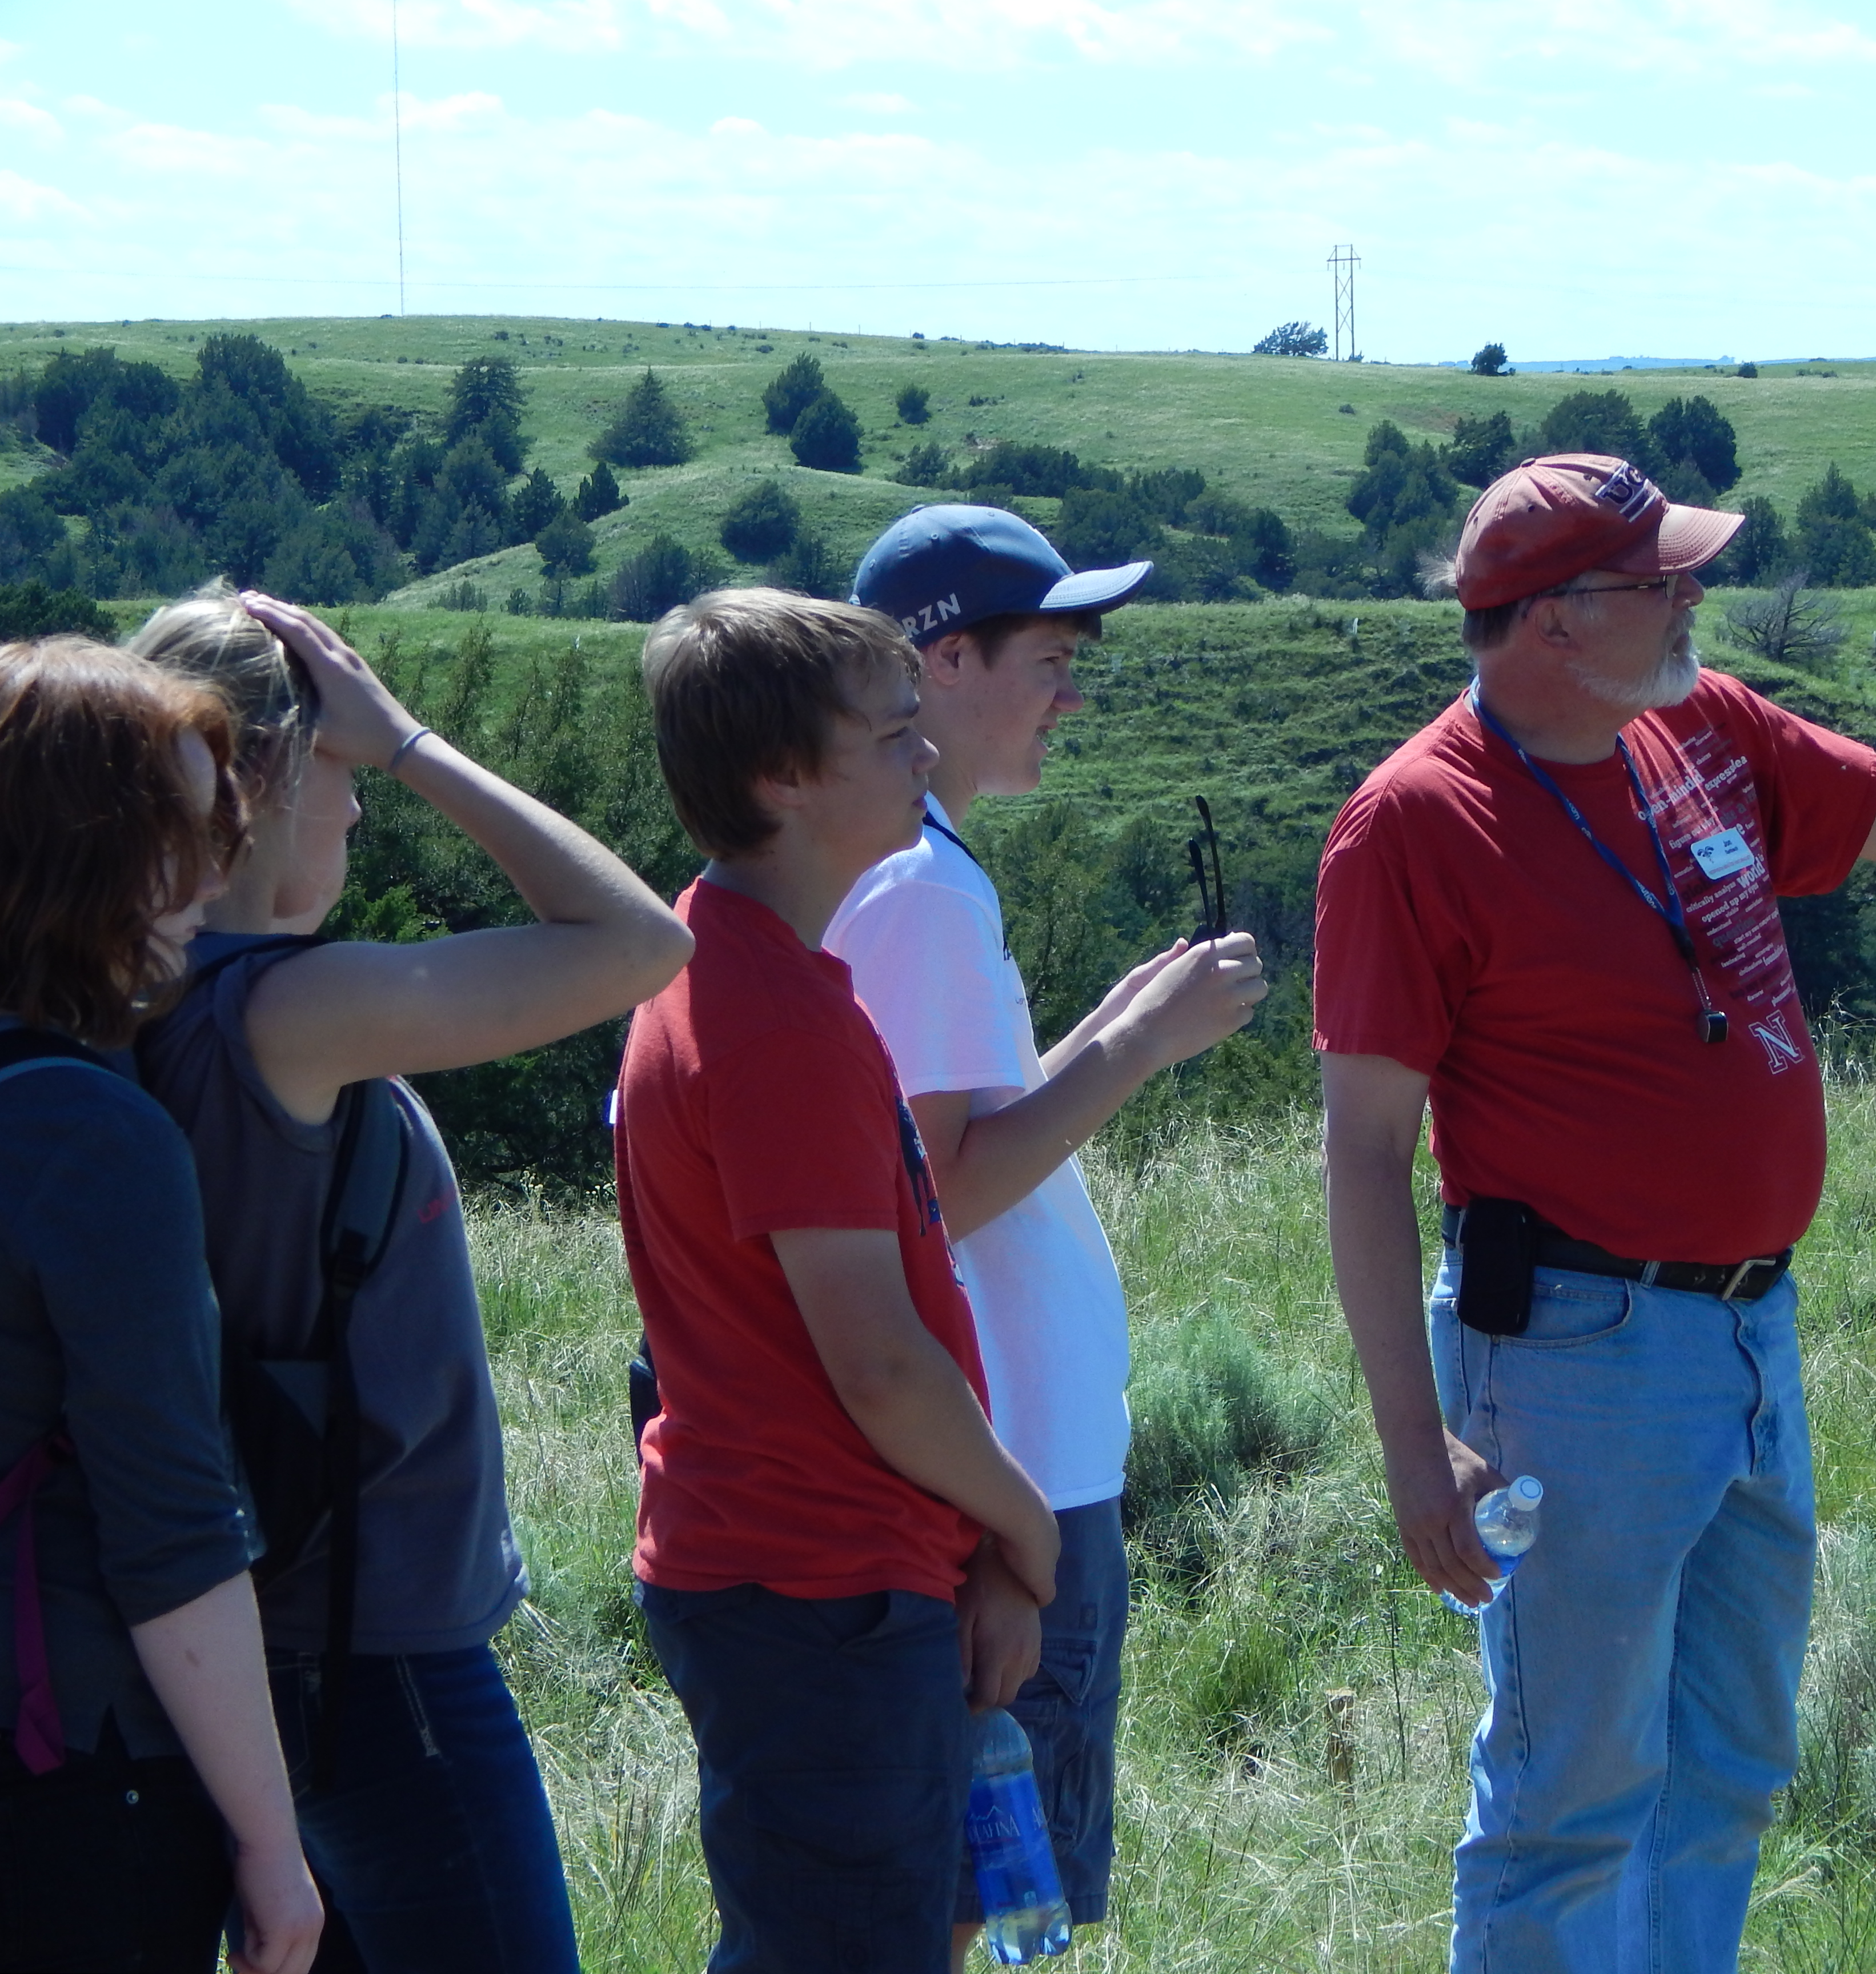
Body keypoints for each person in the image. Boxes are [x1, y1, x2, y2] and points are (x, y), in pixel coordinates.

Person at [1314, 454, 1876, 1972]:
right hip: (1574, 1360)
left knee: (1725, 1770)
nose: (1695, 595)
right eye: (1660, 578)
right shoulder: (1414, 826)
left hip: (1747, 1335)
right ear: (1550, 623)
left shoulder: (1698, 725)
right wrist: (1418, 1446)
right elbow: (1362, 1153)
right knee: (1571, 1799)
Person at [127, 587, 693, 1973]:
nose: (363, 807)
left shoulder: (140, 1000)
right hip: (380, 1663)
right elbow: (640, 945)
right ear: (255, 778)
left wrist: (364, 740)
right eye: (341, 771)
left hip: (261, 1653)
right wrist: (418, 742)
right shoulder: (283, 1011)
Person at [831, 505, 1267, 1955]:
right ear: (942, 659)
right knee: (982, 1907)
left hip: (997, 1458)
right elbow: (934, 1195)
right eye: (1051, 657)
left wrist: (1119, 1023)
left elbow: (933, 1141)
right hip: (1013, 1471)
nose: (1072, 693)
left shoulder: (898, 869)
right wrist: (1139, 1051)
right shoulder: (925, 891)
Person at [616, 588, 1061, 1973]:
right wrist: (1024, 1527)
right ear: (780, 780)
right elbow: (875, 1362)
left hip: (814, 1577)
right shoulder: (776, 1020)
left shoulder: (729, 967)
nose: (924, 757)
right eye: (889, 737)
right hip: (818, 1589)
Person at [0, 636, 324, 1974]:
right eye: (183, 833)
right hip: (49, 1769)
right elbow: (169, 1532)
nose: (216, 873)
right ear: (77, 855)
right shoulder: (87, 1138)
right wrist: (274, 1849)